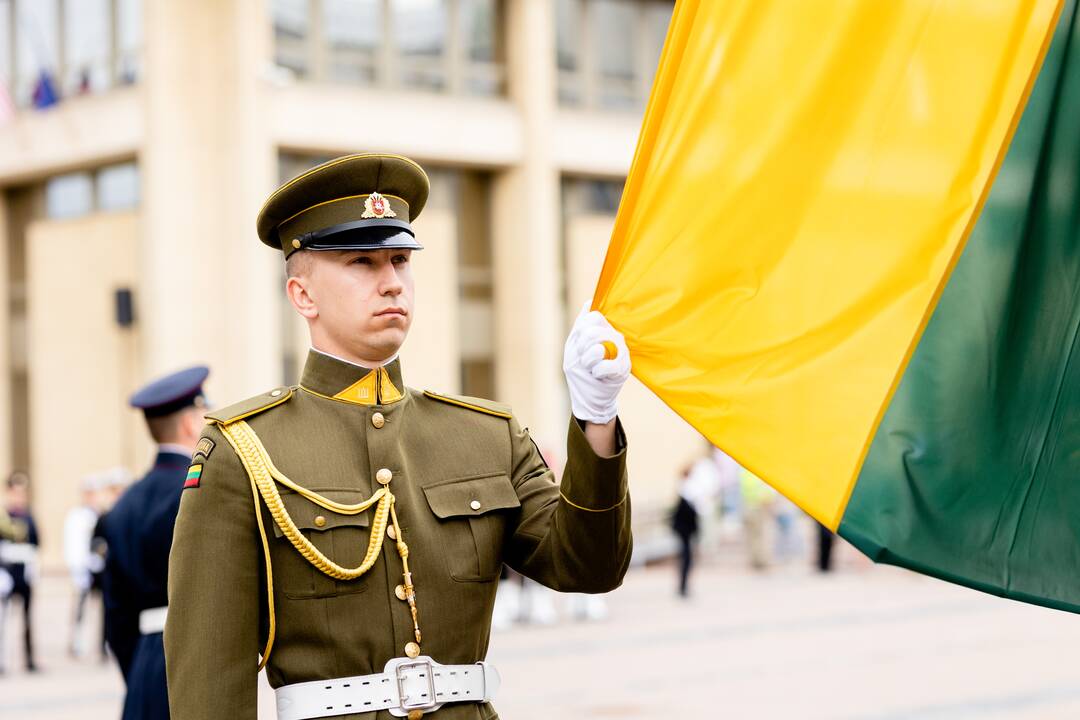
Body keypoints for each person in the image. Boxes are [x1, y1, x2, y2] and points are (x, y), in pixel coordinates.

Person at [165, 153, 633, 720]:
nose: (391, 283)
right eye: (362, 263)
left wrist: (595, 417)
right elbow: (210, 673)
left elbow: (589, 566)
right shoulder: (242, 450)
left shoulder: (486, 433)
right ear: (303, 296)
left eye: (401, 260)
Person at [98, 367, 210, 719]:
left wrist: (140, 670)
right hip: (196, 662)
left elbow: (115, 613)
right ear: (191, 425)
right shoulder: (201, 492)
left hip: (142, 667)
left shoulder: (124, 504)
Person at [0, 471, 40, 673]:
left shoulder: (29, 517)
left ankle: (29, 658)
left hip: (24, 572)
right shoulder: (3, 517)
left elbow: (36, 542)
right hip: (7, 572)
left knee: (27, 619)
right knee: (2, 619)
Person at [671, 464, 700, 598]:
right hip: (685, 530)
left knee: (686, 558)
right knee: (686, 558)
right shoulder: (686, 490)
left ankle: (683, 586)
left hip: (684, 530)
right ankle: (683, 587)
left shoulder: (684, 489)